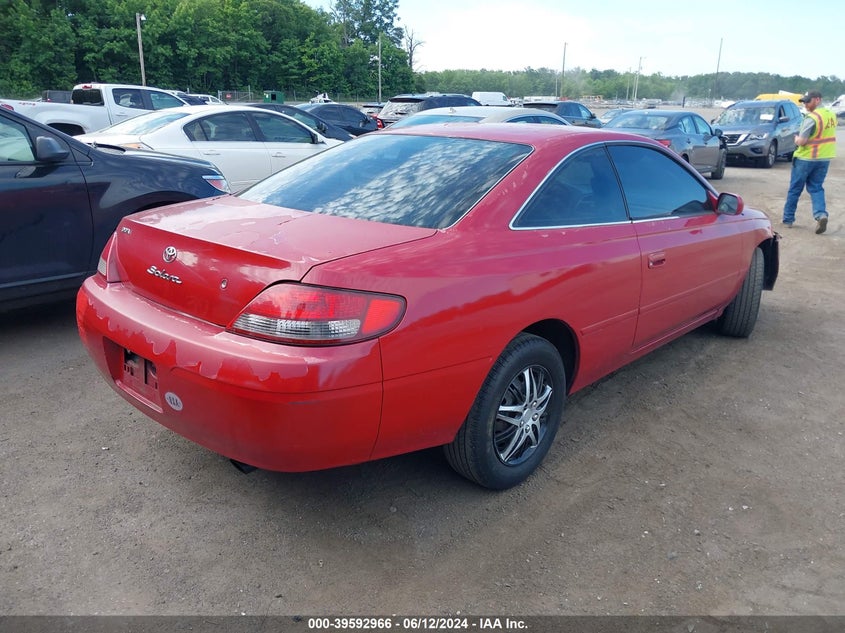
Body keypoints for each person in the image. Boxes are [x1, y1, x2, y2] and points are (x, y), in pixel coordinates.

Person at [782, 90, 837, 234]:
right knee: (816, 188)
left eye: (808, 101)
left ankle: (788, 219)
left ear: (817, 100)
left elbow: (802, 141)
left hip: (806, 159)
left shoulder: (812, 118)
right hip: (824, 159)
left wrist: (796, 139)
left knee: (795, 189)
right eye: (804, 101)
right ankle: (821, 215)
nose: (805, 104)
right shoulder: (831, 115)